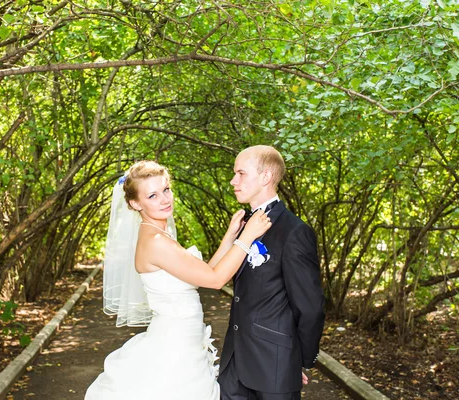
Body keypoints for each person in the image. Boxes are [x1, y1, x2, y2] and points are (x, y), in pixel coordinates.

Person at [85, 160, 272, 400]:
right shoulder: (155, 242)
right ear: (135, 203)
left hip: (184, 341)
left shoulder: (160, 234)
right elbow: (215, 280)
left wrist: (231, 235)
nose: (164, 199)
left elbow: (204, 272)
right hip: (174, 346)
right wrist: (248, 236)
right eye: (152, 195)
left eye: (166, 189)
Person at [218, 145, 325, 400]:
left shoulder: (294, 232)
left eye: (241, 173)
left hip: (273, 368)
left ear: (265, 177)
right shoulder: (243, 224)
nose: (233, 181)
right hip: (233, 366)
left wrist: (297, 359)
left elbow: (310, 307)